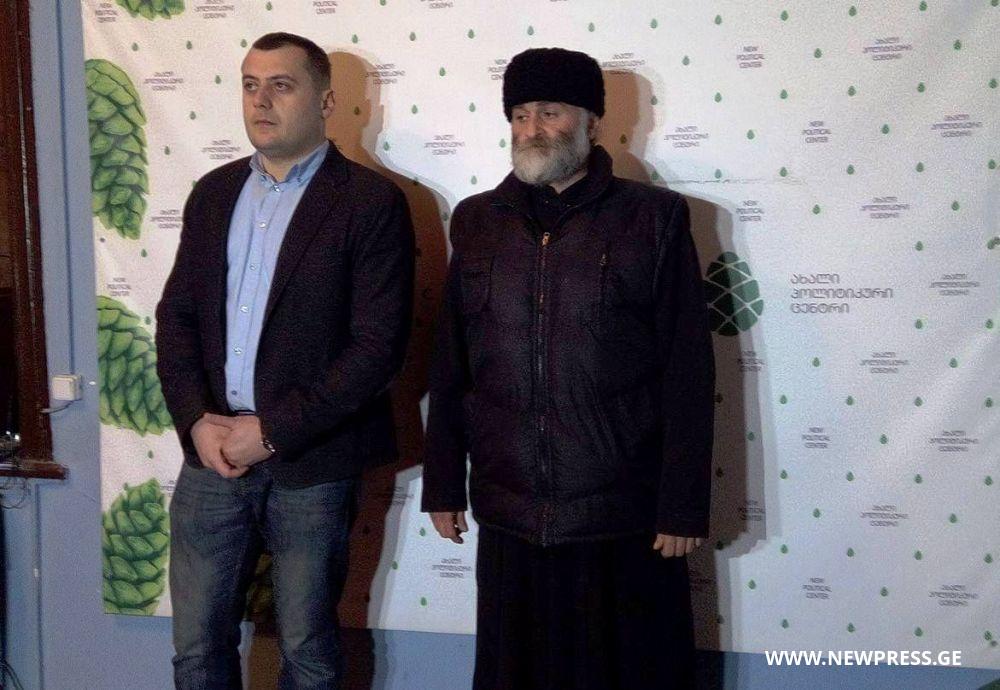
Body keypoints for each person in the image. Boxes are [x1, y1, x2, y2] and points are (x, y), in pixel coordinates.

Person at [421, 47, 715, 690]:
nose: (532, 129)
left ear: (593, 123)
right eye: (520, 115)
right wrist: (442, 481)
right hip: (509, 514)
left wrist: (682, 505)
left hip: (623, 516)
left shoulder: (654, 219)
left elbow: (688, 372)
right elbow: (452, 364)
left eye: (550, 112)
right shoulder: (476, 221)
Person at [155, 32, 414, 690]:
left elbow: (377, 348)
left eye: (281, 85)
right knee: (195, 648)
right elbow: (176, 319)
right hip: (211, 454)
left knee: (307, 648)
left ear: (325, 102)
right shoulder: (213, 193)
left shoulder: (370, 202)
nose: (261, 100)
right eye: (250, 85)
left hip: (314, 461)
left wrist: (270, 431)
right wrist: (195, 421)